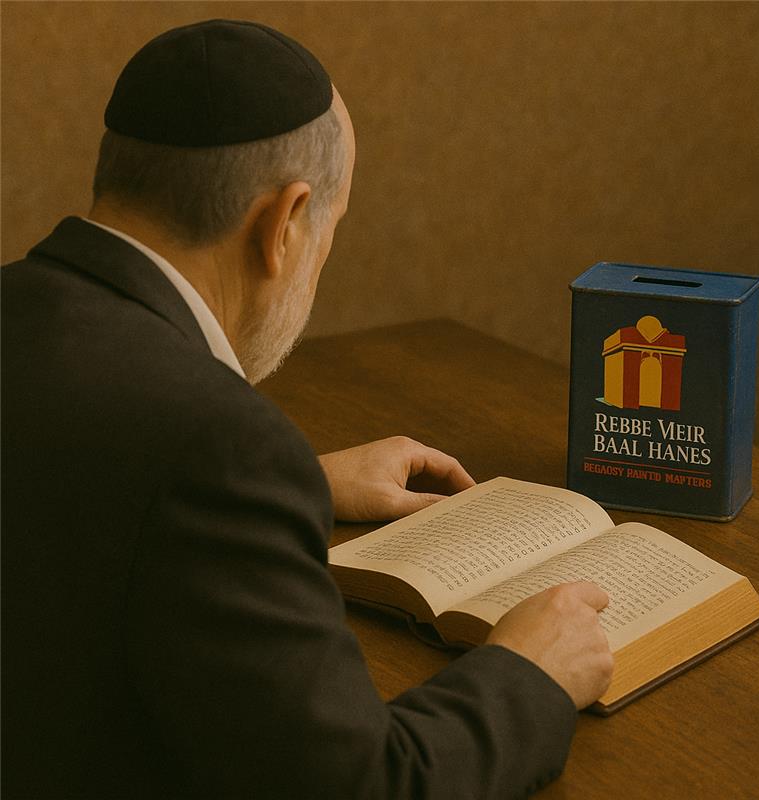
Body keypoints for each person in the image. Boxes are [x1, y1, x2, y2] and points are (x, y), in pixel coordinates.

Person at [1, 19, 613, 799]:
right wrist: (532, 671)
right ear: (284, 224)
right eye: (332, 226)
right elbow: (363, 786)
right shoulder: (218, 446)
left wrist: (304, 483)